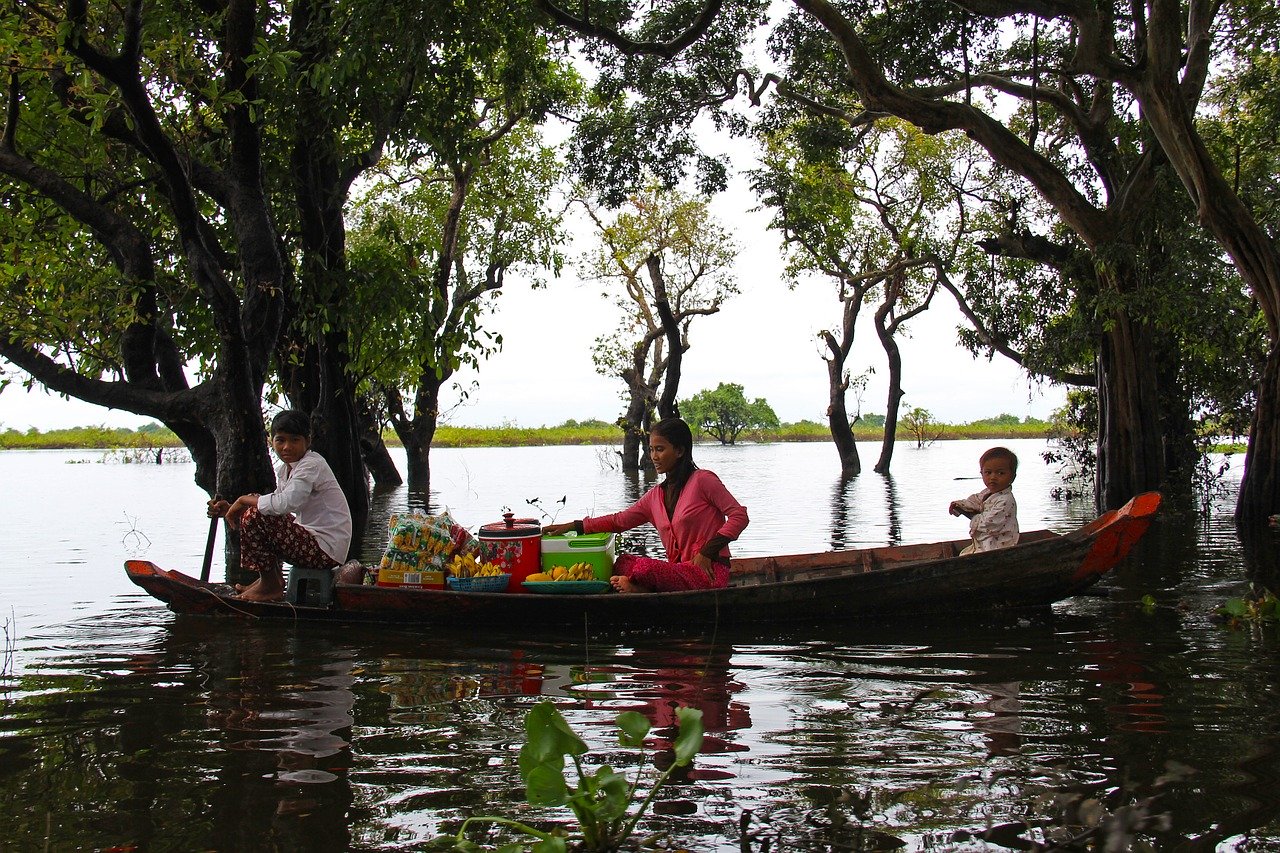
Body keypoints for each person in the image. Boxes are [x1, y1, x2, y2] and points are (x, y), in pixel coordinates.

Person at [543, 417, 749, 593]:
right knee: (622, 562)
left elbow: (739, 516)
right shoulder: (655, 497)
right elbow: (619, 521)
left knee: (644, 568)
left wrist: (706, 553)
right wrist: (576, 526)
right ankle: (644, 588)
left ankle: (640, 588)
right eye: (651, 450)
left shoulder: (703, 480)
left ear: (679, 451)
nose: (654, 456)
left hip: (709, 572)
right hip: (679, 572)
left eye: (660, 449)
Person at [207, 410, 353, 602]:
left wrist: (242, 501)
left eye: (294, 440)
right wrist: (233, 507)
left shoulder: (312, 464)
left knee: (255, 513)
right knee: (256, 509)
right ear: (272, 441)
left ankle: (271, 586)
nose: (286, 447)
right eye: (280, 440)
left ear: (307, 441)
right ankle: (269, 580)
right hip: (314, 541)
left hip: (325, 550)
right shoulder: (287, 469)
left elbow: (285, 503)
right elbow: (275, 502)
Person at [948, 445, 1019, 555]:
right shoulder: (987, 493)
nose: (993, 477)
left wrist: (973, 517)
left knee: (968, 558)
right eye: (988, 473)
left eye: (1000, 473)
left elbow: (988, 523)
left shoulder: (1006, 500)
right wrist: (960, 505)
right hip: (984, 542)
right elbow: (975, 501)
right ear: (982, 474)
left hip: (999, 546)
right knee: (963, 554)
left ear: (1012, 477)